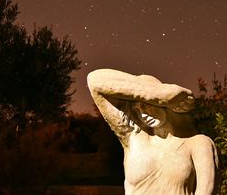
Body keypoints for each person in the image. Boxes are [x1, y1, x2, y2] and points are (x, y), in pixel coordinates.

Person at [87, 69, 218, 195]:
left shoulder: (198, 143)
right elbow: (94, 80)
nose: (143, 114)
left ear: (165, 102)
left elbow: (206, 190)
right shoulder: (135, 138)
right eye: (137, 109)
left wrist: (160, 95)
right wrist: (151, 93)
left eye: (147, 104)